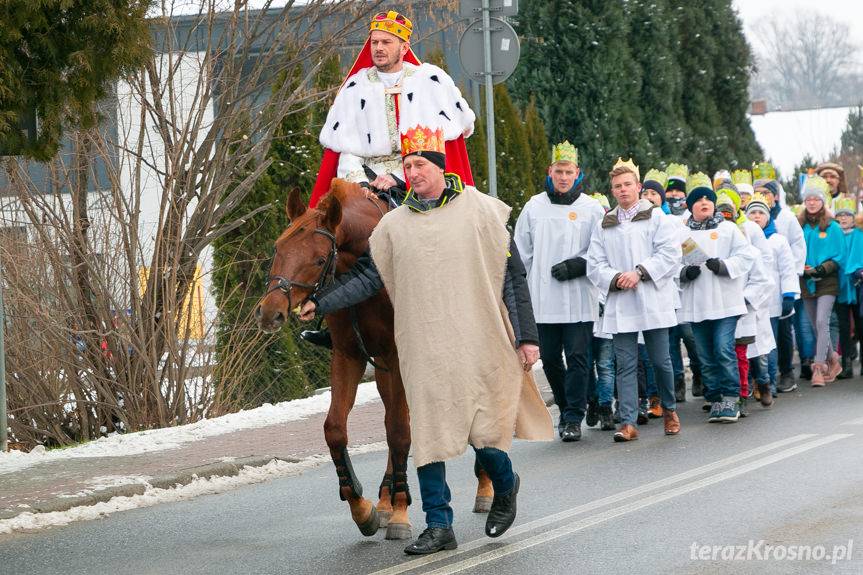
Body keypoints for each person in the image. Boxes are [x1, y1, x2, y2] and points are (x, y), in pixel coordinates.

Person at [299, 124, 553, 555]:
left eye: (419, 165)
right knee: (429, 435)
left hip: (476, 339)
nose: (412, 173)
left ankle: (505, 482)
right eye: (407, 165)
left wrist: (526, 337)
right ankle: (439, 524)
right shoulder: (394, 226)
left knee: (479, 429)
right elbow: (368, 277)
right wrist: (322, 304)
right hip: (421, 344)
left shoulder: (482, 211)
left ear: (439, 167)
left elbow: (512, 277)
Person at [303, 10, 476, 346]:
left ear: (403, 45)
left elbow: (438, 146)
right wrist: (358, 184)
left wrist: (400, 177)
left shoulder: (428, 80)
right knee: (332, 235)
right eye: (374, 42)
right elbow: (344, 146)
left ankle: (448, 309)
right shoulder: (355, 87)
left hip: (418, 176)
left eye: (386, 42)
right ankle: (335, 323)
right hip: (361, 180)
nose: (378, 48)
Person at [514, 141, 605, 442]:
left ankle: (572, 417)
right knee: (551, 358)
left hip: (578, 297)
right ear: (549, 172)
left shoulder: (592, 208)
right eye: (558, 171)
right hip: (543, 299)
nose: (563, 177)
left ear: (578, 173)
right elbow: (521, 252)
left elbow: (603, 251)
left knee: (579, 357)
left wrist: (580, 265)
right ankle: (569, 403)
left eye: (569, 172)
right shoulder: (534, 206)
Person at [587, 158, 682, 442]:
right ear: (612, 190)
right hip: (622, 300)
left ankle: (669, 409)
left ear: (638, 187)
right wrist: (616, 278)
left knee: (661, 360)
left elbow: (670, 253)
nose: (623, 190)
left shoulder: (657, 218)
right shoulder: (605, 224)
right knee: (625, 363)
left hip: (652, 298)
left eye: (628, 184)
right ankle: (628, 421)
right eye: (617, 186)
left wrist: (640, 272)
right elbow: (595, 263)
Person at [677, 173, 754, 423]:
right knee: (705, 356)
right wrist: (684, 273)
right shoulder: (681, 234)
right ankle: (716, 398)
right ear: (691, 207)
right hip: (697, 305)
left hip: (725, 303)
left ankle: (732, 397)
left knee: (723, 349)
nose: (703, 203)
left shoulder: (728, 229)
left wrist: (723, 265)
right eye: (698, 200)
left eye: (707, 199)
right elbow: (670, 265)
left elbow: (746, 256)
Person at [753, 162, 808, 389]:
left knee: (784, 332)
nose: (762, 197)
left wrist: (791, 286)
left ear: (774, 196)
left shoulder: (786, 218)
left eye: (766, 193)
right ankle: (765, 377)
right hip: (759, 289)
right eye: (758, 193)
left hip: (781, 285)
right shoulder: (750, 220)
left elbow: (797, 245)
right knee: (763, 335)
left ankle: (786, 372)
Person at [745, 192, 799, 403]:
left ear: (768, 216)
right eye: (752, 213)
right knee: (750, 341)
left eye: (760, 212)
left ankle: (771, 382)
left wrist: (789, 295)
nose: (756, 216)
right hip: (751, 299)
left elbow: (787, 269)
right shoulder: (744, 239)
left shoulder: (778, 240)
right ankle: (753, 381)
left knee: (769, 341)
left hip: (773, 300)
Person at [799, 175, 847, 386]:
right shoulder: (799, 225)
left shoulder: (832, 226)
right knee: (815, 325)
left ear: (822, 201)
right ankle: (835, 359)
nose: (811, 202)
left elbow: (840, 256)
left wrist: (821, 268)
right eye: (808, 199)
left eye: (816, 199)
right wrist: (801, 267)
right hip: (805, 279)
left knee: (821, 321)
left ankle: (819, 368)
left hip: (827, 280)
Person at [664, 162, 704, 398]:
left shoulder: (692, 219)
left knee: (690, 336)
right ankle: (677, 382)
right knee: (670, 341)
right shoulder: (659, 218)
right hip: (668, 289)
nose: (674, 195)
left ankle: (699, 373)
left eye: (679, 191)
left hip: (689, 289)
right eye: (670, 191)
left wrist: (688, 271)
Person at [834, 197, 863, 378]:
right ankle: (847, 364)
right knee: (843, 326)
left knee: (861, 325)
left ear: (854, 218)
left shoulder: (859, 233)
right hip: (839, 285)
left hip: (858, 284)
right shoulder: (833, 233)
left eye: (847, 215)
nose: (843, 218)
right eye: (840, 215)